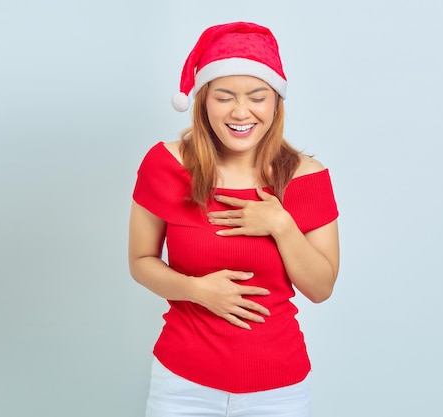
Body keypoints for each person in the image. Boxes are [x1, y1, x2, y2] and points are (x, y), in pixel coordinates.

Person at [128, 21, 340, 417]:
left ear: (276, 102)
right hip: (182, 383)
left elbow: (321, 287)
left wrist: (281, 225)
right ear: (203, 101)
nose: (241, 112)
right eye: (224, 97)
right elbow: (140, 262)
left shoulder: (308, 177)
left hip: (279, 388)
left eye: (257, 97)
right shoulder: (165, 165)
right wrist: (197, 290)